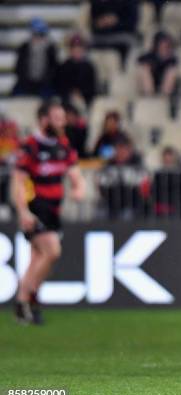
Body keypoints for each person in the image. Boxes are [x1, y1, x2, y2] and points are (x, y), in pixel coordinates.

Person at [11, 101, 85, 325]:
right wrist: (23, 211)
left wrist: (79, 188)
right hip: (36, 209)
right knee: (52, 251)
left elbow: (75, 174)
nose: (62, 122)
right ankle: (28, 298)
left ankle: (25, 304)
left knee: (38, 259)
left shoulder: (63, 145)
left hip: (54, 210)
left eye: (63, 118)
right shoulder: (30, 147)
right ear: (43, 120)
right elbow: (17, 182)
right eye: (57, 118)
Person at [12, 18, 58, 98]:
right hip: (26, 83)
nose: (38, 38)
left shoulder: (51, 49)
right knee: (17, 96)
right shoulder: (24, 48)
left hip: (44, 84)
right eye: (35, 34)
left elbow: (54, 69)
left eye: (41, 34)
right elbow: (18, 68)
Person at [55, 33, 97, 107]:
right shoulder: (64, 66)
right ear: (70, 49)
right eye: (74, 47)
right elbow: (60, 85)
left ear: (83, 49)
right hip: (67, 100)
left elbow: (92, 87)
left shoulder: (89, 66)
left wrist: (81, 93)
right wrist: (71, 92)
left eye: (79, 47)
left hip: (85, 99)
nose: (77, 50)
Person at [90, 0, 138, 64]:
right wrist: (101, 22)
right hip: (101, 37)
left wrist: (116, 22)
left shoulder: (129, 3)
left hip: (122, 36)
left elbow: (132, 24)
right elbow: (93, 25)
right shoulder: (97, 3)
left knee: (128, 43)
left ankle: (122, 69)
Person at [152, 146, 181, 218]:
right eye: (166, 158)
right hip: (160, 210)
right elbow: (155, 191)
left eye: (170, 157)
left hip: (177, 210)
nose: (168, 160)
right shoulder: (158, 174)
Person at [137, 31, 179, 96]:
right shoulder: (149, 57)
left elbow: (172, 66)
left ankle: (164, 98)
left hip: (164, 87)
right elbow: (140, 60)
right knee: (144, 70)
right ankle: (150, 96)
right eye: (163, 43)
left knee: (172, 72)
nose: (165, 46)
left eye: (167, 44)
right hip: (150, 85)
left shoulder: (172, 59)